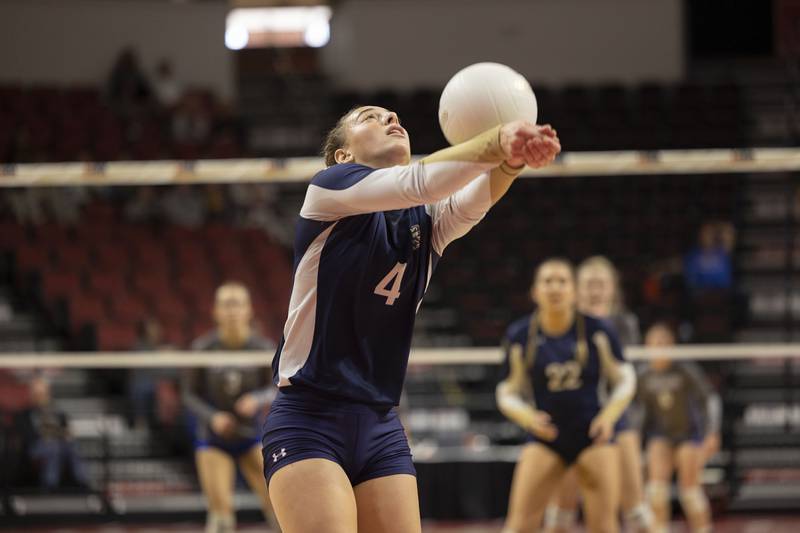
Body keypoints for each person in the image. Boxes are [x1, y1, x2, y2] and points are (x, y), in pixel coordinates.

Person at [262, 105, 561, 533]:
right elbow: (420, 181)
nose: (390, 118)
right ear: (343, 156)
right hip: (310, 417)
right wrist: (495, 141)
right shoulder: (328, 191)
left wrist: (512, 161)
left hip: (381, 422)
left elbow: (473, 199)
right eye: (369, 118)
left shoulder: (425, 220)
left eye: (392, 115)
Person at [497, 258, 637, 533]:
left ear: (574, 291)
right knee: (518, 526)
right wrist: (527, 417)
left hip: (593, 435)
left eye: (562, 281)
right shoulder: (520, 335)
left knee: (606, 526)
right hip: (546, 436)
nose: (555, 288)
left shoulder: (598, 330)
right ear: (535, 292)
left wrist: (608, 416)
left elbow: (625, 379)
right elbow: (506, 391)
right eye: (547, 281)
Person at [544, 256, 653, 533]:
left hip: (618, 417)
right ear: (577, 289)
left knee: (635, 510)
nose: (595, 291)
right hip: (572, 419)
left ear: (612, 289)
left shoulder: (624, 324)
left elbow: (631, 375)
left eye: (601, 284)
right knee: (561, 511)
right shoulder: (561, 323)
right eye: (589, 284)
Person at [183, 282, 277, 533]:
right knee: (220, 513)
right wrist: (213, 417)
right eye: (227, 304)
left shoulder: (263, 348)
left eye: (238, 304)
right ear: (215, 311)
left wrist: (256, 399)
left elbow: (275, 387)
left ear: (249, 310)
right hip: (213, 438)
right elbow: (189, 394)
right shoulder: (202, 348)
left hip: (251, 435)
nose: (233, 310)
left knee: (278, 505)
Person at [638, 322, 720, 533]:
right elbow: (639, 413)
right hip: (661, 435)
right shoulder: (644, 375)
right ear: (646, 346)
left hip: (689, 435)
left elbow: (710, 398)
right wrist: (636, 447)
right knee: (655, 491)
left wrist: (712, 431)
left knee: (690, 493)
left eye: (664, 342)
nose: (659, 347)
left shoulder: (685, 369)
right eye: (655, 342)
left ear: (672, 345)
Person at [15, 375, 91, 491]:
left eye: (43, 392)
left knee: (72, 446)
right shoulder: (24, 414)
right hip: (35, 448)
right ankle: (50, 486)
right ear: (32, 394)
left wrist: (59, 434)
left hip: (58, 444)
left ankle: (81, 482)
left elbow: (68, 432)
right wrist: (51, 435)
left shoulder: (57, 413)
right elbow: (28, 436)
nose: (40, 396)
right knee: (53, 447)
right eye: (37, 393)